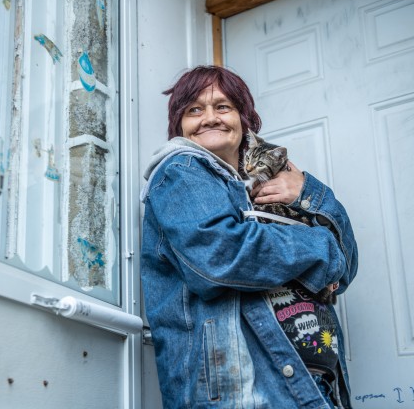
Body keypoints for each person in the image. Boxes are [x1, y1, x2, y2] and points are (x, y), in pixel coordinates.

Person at [140, 65, 358, 408]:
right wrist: (320, 246)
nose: (209, 117)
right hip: (243, 391)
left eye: (222, 107)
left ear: (244, 118)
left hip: (311, 385)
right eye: (194, 109)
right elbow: (222, 257)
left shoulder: (267, 185)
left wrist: (308, 193)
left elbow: (343, 268)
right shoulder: (180, 171)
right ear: (179, 126)